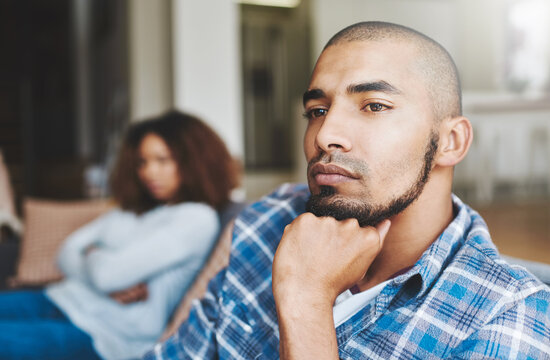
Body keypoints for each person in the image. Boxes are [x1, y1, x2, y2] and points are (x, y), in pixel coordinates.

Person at [145, 22, 550, 359]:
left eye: (373, 105)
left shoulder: (509, 316)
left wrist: (306, 300)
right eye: (317, 111)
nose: (326, 135)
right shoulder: (267, 219)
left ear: (451, 142)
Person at [0, 110, 239, 360]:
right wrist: (103, 267)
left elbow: (107, 276)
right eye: (142, 162)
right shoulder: (131, 211)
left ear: (194, 162)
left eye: (162, 160)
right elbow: (66, 253)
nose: (149, 172)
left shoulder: (196, 218)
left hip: (103, 333)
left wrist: (94, 257)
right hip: (59, 299)